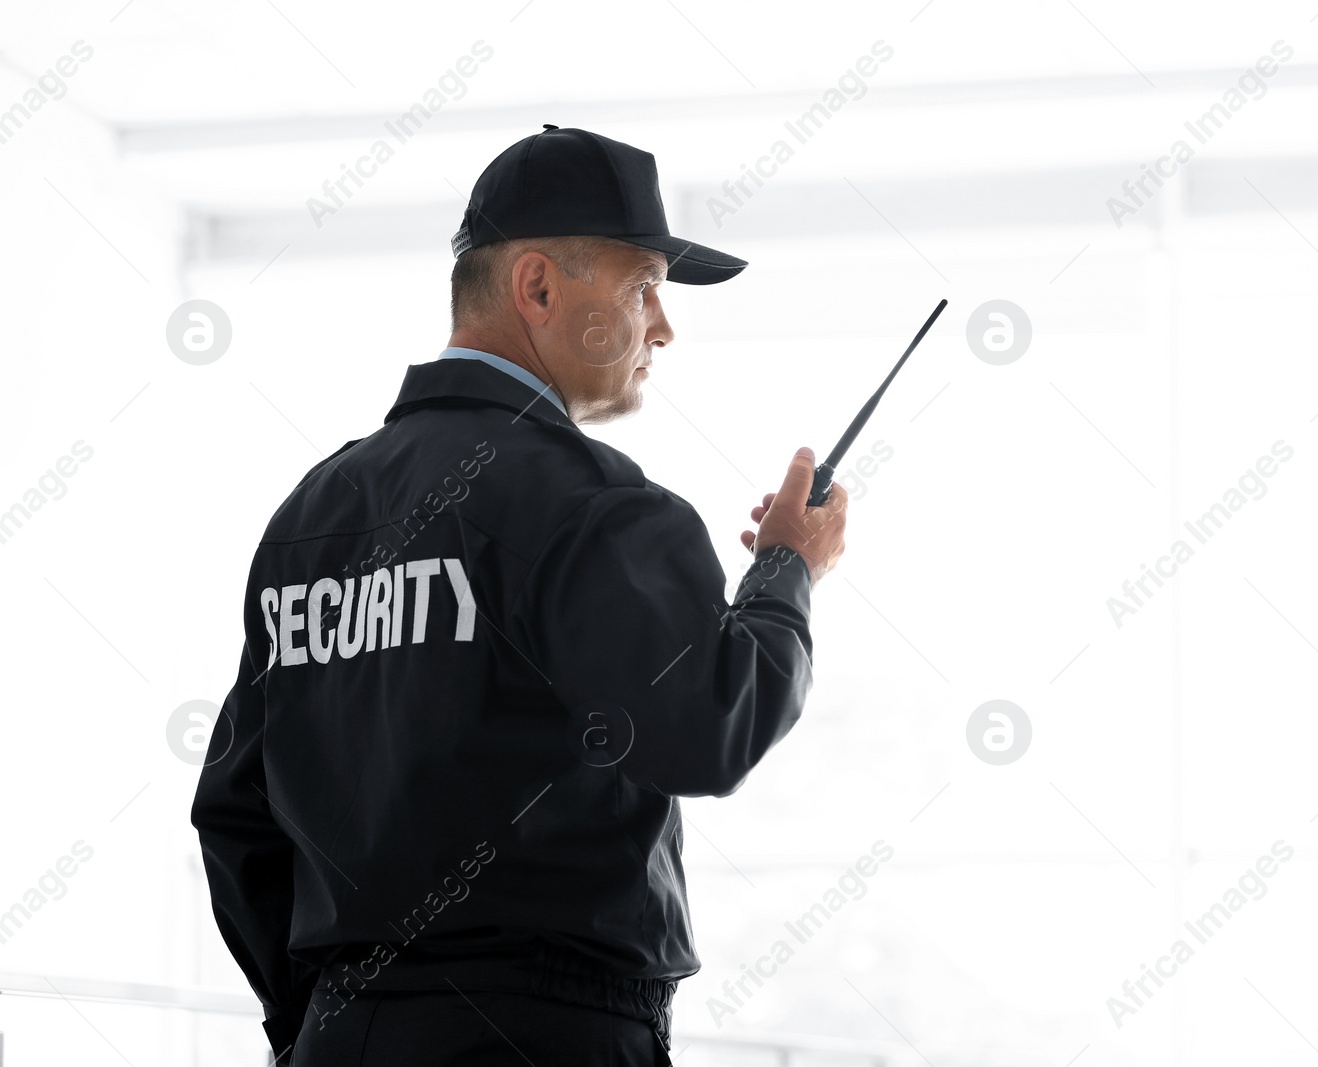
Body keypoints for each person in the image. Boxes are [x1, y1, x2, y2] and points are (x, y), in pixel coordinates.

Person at [190, 125, 847, 1066]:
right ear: (538, 287)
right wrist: (787, 569)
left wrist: (319, 1021)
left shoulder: (310, 517)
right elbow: (709, 726)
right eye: (642, 286)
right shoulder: (596, 503)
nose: (662, 326)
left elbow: (235, 813)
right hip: (549, 1031)